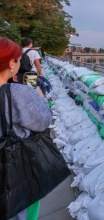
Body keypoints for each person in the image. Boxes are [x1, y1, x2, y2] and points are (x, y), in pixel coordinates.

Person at [0, 37, 52, 220]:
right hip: (14, 169)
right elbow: (43, 121)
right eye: (18, 60)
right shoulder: (17, 93)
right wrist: (39, 96)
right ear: (11, 63)